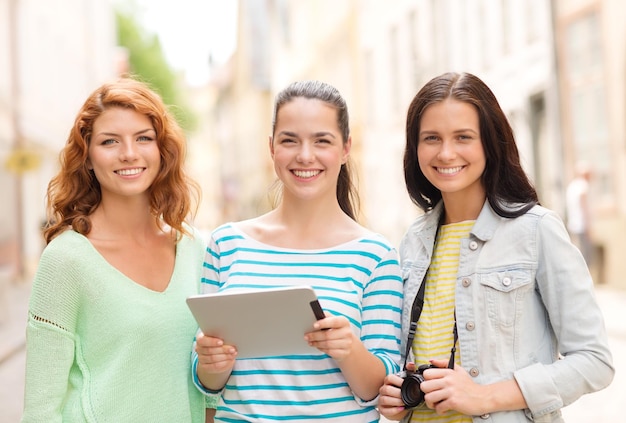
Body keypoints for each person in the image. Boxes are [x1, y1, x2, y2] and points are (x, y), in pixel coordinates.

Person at [377, 72, 614, 422]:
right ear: (415, 148)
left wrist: (484, 396)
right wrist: (396, 395)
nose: (446, 152)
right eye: (431, 138)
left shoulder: (537, 230)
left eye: (463, 137)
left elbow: (595, 361)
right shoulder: (412, 242)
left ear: (490, 142)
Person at [192, 80, 404, 422]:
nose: (305, 156)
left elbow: (379, 388)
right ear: (271, 147)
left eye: (322, 141)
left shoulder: (376, 255)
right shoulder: (226, 244)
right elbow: (207, 384)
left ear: (346, 148)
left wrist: (349, 349)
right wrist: (210, 363)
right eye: (290, 141)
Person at [22, 77, 212, 422]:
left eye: (144, 138)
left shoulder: (195, 249)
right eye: (110, 141)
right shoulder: (66, 260)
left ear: (161, 151)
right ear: (88, 158)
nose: (129, 153)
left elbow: (213, 388)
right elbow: (40, 409)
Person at [565, 162, 593, 265]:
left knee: (577, 252)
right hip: (582, 225)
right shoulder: (583, 186)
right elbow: (584, 207)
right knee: (586, 254)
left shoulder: (572, 186)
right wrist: (588, 226)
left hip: (573, 224)